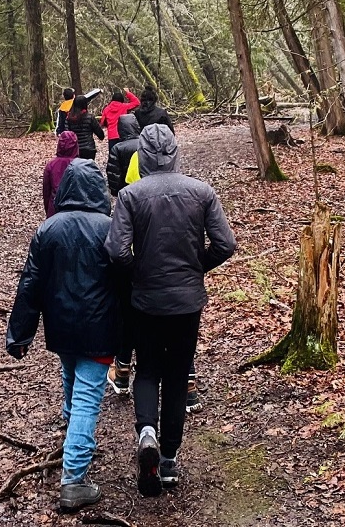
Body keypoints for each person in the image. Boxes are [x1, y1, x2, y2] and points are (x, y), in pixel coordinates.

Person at [105, 124, 236, 497]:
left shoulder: (130, 195)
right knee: (177, 375)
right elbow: (225, 244)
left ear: (143, 157)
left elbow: (116, 250)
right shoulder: (201, 191)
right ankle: (168, 460)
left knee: (147, 369)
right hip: (186, 302)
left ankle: (147, 432)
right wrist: (195, 268)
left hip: (146, 300)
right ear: (175, 152)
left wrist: (139, 272)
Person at [7, 159, 121, 512]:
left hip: (61, 327)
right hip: (100, 329)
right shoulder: (110, 228)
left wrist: (20, 334)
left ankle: (74, 437)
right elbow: (126, 282)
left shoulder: (49, 229)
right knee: (87, 397)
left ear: (66, 188)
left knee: (71, 376)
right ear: (98, 189)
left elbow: (30, 284)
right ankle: (74, 479)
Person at [106, 116, 204, 415]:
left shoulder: (129, 162)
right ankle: (187, 385)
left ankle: (124, 371)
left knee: (131, 319)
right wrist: (196, 265)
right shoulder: (191, 188)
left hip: (142, 256)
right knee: (181, 328)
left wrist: (134, 267)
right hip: (177, 261)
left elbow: (118, 185)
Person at [43, 131, 79, 217]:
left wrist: (48, 210)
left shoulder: (51, 165)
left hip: (55, 209)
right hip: (76, 210)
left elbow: (46, 191)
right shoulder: (80, 165)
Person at [65, 94, 105, 160]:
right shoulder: (90, 117)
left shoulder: (69, 118)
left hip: (75, 149)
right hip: (89, 149)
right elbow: (100, 135)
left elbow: (67, 134)